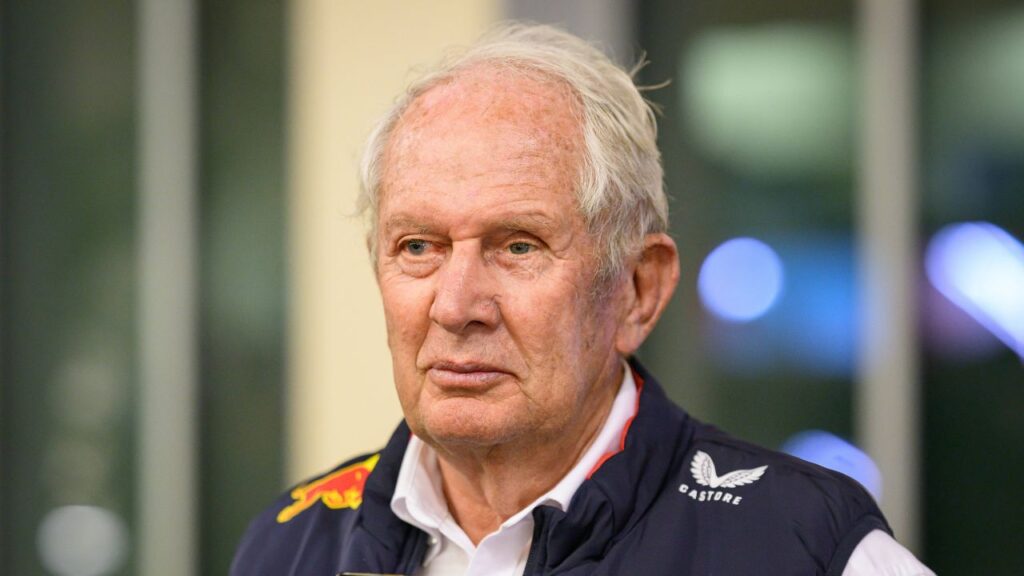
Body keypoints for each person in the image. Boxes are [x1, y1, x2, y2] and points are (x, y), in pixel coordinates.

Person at [231, 24, 933, 576]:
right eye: (418, 247)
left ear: (637, 290)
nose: (456, 305)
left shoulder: (800, 546)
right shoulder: (294, 544)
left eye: (518, 246)